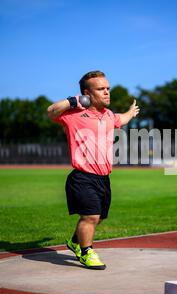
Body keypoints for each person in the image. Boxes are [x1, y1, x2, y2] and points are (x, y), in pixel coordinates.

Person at [47, 70, 139, 270]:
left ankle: (74, 242)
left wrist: (131, 113)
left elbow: (120, 119)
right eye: (101, 89)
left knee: (99, 218)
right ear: (87, 94)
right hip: (82, 177)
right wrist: (74, 101)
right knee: (91, 216)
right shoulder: (73, 115)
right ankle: (86, 252)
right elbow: (51, 111)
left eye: (108, 88)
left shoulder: (108, 115)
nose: (107, 92)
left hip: (104, 178)